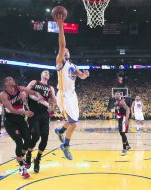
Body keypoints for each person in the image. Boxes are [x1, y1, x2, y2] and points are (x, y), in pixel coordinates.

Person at [54, 14, 90, 160]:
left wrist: (85, 75)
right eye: (64, 51)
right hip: (63, 95)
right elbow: (62, 45)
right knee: (74, 123)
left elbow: (80, 76)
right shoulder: (59, 62)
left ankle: (60, 131)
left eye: (67, 51)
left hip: (72, 95)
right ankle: (65, 145)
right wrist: (61, 26)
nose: (65, 50)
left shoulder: (73, 66)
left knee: (73, 121)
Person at [0, 77, 43, 179]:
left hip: (20, 119)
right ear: (6, 83)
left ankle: (20, 158)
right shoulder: (3, 95)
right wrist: (24, 112)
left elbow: (31, 91)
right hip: (10, 121)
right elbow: (11, 109)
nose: (12, 80)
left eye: (12, 79)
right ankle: (21, 167)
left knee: (28, 140)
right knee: (19, 142)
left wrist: (37, 94)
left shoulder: (19, 88)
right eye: (9, 79)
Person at [25, 70, 56, 173]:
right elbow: (25, 91)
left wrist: (58, 100)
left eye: (48, 73)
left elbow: (54, 101)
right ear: (41, 75)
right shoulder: (34, 82)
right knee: (36, 135)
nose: (47, 73)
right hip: (33, 113)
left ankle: (37, 159)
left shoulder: (50, 88)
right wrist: (27, 106)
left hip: (44, 114)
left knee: (45, 137)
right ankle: (29, 153)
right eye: (45, 72)